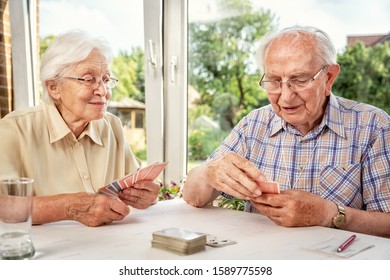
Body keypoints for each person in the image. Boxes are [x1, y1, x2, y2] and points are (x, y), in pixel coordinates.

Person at [182, 25, 390, 238]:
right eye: (273, 81)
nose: (285, 98)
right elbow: (192, 195)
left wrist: (328, 214)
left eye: (299, 80)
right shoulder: (253, 125)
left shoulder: (373, 126)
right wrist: (209, 172)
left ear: (329, 78)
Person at [0, 30, 160, 227]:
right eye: (88, 79)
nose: (103, 91)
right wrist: (68, 207)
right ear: (53, 87)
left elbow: (140, 185)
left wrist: (147, 195)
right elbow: (4, 205)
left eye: (106, 79)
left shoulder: (112, 126)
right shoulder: (14, 130)